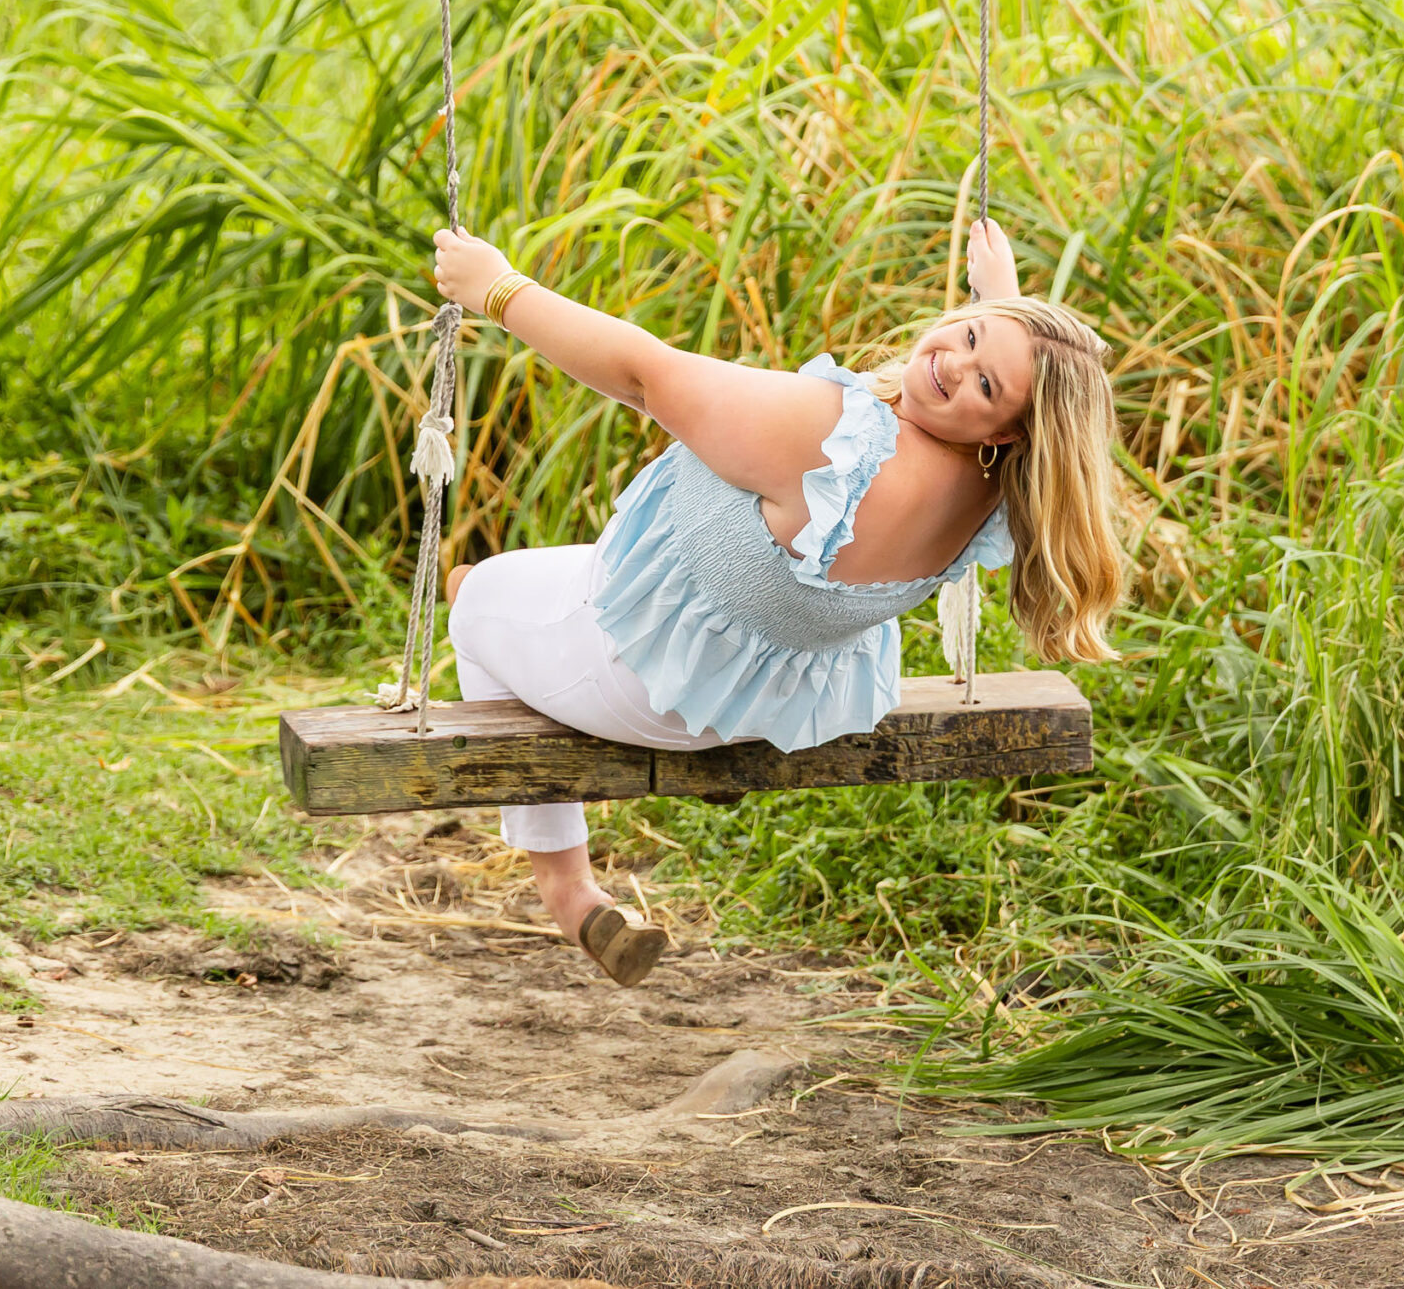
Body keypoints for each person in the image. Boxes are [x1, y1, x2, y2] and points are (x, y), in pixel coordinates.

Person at [433, 218, 1126, 985]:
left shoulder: (836, 437)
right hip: (761, 700)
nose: (950, 366)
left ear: (1010, 429)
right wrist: (1003, 306)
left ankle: (567, 888)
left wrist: (497, 287)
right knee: (534, 578)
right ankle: (579, 888)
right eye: (966, 336)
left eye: (984, 382)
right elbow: (1024, 385)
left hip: (635, 670)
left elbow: (641, 374)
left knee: (474, 594)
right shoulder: (1001, 485)